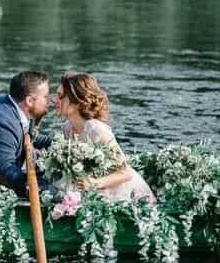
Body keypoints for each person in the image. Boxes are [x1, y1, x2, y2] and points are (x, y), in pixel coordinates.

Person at [54, 71, 155, 203]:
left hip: (118, 190)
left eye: (61, 96)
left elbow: (125, 173)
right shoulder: (67, 127)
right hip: (86, 185)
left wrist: (94, 183)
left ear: (77, 102)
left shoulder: (96, 129)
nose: (56, 101)